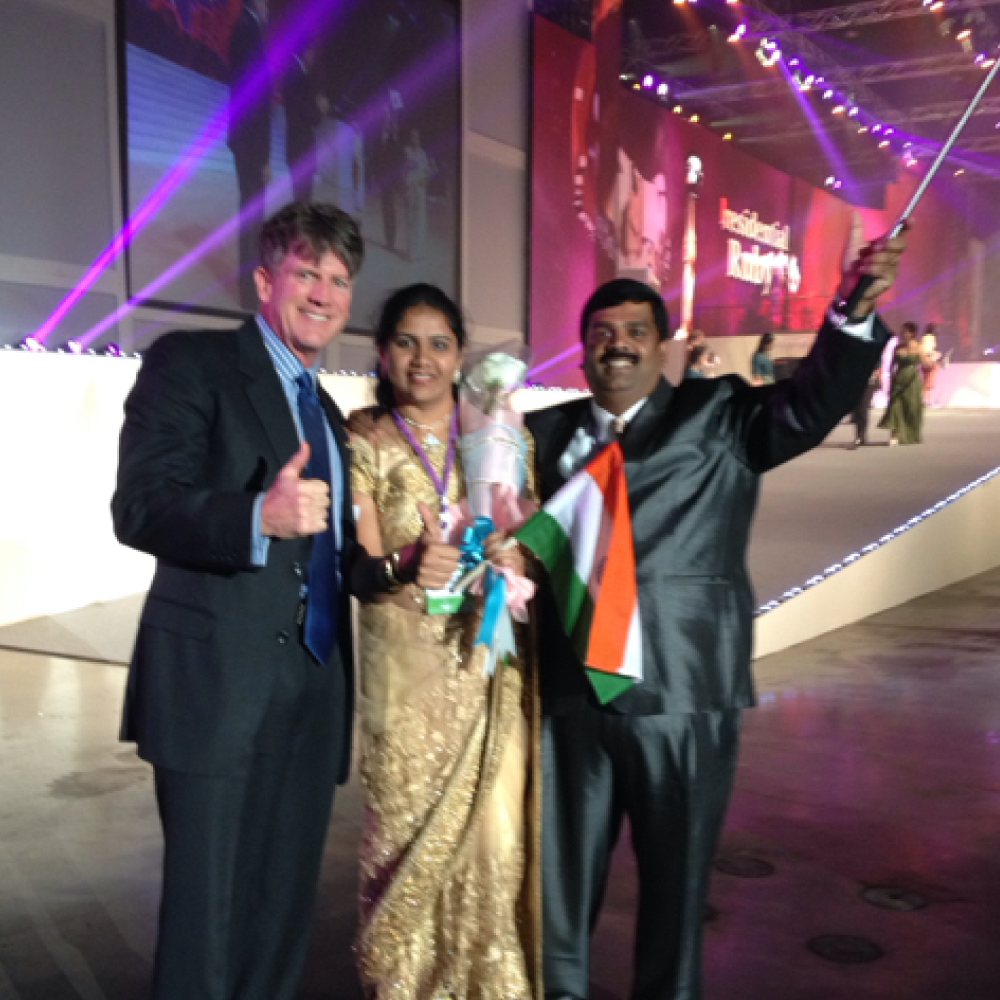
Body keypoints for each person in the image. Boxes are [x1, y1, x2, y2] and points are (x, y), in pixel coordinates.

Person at [524, 222, 907, 1000]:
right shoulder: (540, 434)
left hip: (684, 700)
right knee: (553, 904)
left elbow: (812, 403)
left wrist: (852, 309)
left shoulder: (720, 413)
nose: (618, 344)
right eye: (601, 333)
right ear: (583, 350)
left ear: (663, 345)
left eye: (636, 331)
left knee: (674, 902)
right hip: (570, 706)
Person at [112, 203, 432, 1000]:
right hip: (216, 689)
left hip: (312, 692)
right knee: (205, 925)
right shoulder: (193, 364)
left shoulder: (328, 413)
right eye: (306, 273)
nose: (323, 293)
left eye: (339, 279)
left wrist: (405, 563)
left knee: (282, 918)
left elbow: (337, 562)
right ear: (265, 280)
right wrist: (257, 515)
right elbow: (140, 506)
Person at [349, 283, 542, 1000]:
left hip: (484, 669)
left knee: (494, 839)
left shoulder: (501, 437)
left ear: (461, 355)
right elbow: (359, 562)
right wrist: (403, 562)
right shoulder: (363, 438)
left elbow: (529, 540)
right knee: (400, 844)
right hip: (402, 675)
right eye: (405, 342)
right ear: (382, 352)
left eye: (439, 343)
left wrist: (514, 558)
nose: (422, 358)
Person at [227, 0, 272, 310]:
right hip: (251, 141)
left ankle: (249, 290)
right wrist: (263, 155)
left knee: (251, 215)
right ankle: (249, 292)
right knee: (253, 217)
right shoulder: (249, 31)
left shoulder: (244, 28)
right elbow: (256, 97)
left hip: (244, 138)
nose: (269, 6)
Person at [282, 45, 321, 203]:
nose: (314, 56)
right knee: (302, 197)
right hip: (300, 146)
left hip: (299, 145)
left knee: (302, 197)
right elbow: (305, 112)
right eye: (312, 52)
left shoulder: (297, 72)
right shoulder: (296, 74)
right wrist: (319, 109)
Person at [879, 320, 923, 445]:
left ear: (912, 333)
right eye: (902, 331)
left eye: (905, 332)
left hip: (912, 382)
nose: (902, 334)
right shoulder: (897, 348)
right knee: (895, 407)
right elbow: (892, 366)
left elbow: (925, 363)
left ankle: (909, 434)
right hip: (898, 380)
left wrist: (936, 362)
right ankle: (894, 435)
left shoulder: (919, 346)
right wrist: (889, 381)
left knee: (911, 408)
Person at [404, 128, 431, 261]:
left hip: (420, 189)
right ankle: (410, 253)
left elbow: (427, 171)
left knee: (419, 220)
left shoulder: (423, 153)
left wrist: (425, 180)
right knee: (410, 220)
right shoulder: (407, 151)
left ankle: (418, 251)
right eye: (412, 136)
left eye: (416, 137)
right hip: (410, 188)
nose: (415, 139)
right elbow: (403, 168)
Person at [850, 364, 882, 448]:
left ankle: (860, 436)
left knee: (862, 408)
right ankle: (860, 436)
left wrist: (877, 375)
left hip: (869, 383)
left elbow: (878, 367)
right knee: (857, 409)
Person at [920, 325, 942, 406]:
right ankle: (928, 401)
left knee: (926, 382)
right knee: (929, 382)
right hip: (930, 361)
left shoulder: (924, 338)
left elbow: (923, 350)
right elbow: (928, 350)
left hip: (924, 362)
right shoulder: (930, 338)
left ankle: (925, 401)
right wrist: (936, 354)